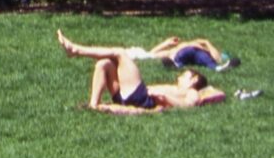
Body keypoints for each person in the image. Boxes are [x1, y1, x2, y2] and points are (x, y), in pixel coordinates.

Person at [58, 30, 226, 114]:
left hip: (142, 98)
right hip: (133, 97)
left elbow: (190, 104)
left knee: (120, 53)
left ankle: (76, 50)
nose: (180, 76)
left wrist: (165, 98)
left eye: (185, 75)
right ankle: (93, 105)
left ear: (194, 80)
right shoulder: (180, 88)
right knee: (104, 64)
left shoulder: (191, 92)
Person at [132, 35, 233, 70]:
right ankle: (175, 64)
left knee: (206, 59)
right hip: (181, 54)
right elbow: (150, 54)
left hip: (195, 54)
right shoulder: (179, 47)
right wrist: (166, 43)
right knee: (180, 55)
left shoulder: (206, 50)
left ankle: (217, 68)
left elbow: (217, 58)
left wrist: (206, 42)